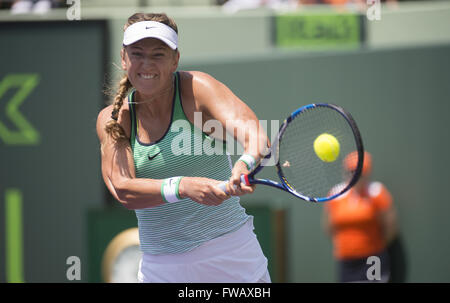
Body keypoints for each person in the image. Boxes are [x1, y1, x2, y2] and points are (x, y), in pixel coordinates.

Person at [96, 12, 271, 283]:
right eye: (138, 53)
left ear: (175, 59)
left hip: (233, 261)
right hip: (161, 269)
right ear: (123, 58)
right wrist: (183, 186)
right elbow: (123, 189)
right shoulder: (114, 118)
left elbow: (256, 136)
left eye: (158, 54)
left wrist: (244, 163)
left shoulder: (197, 88)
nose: (147, 64)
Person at [322, 151, 398, 282]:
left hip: (372, 259)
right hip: (346, 261)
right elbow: (328, 227)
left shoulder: (377, 192)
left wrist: (373, 247)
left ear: (367, 173)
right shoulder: (335, 194)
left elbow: (390, 227)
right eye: (352, 172)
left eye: (360, 173)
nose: (356, 176)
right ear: (346, 172)